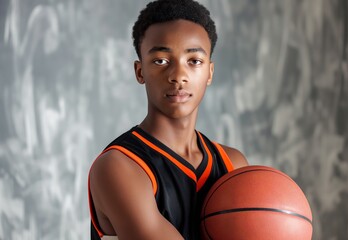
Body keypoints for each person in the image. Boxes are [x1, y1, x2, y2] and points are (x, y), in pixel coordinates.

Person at [88, 0, 248, 239]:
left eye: (194, 61)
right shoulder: (119, 167)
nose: (178, 76)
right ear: (140, 72)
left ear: (210, 73)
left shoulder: (232, 164)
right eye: (161, 61)